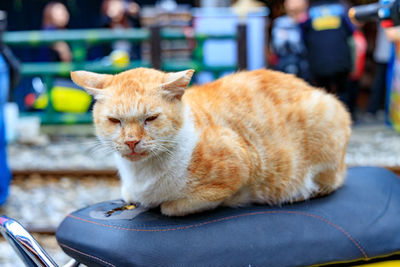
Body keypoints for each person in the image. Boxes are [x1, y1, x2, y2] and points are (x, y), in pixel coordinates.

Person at [301, 0, 354, 111]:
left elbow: (302, 34)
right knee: (342, 92)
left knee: (323, 93)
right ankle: (346, 119)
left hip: (318, 61)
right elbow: (351, 30)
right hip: (340, 59)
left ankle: (326, 120)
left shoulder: (310, 11)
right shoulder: (341, 8)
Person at [270, 0, 310, 81]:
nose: (293, 3)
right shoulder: (279, 23)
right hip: (283, 68)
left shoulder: (308, 22)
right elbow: (274, 47)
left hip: (304, 68)